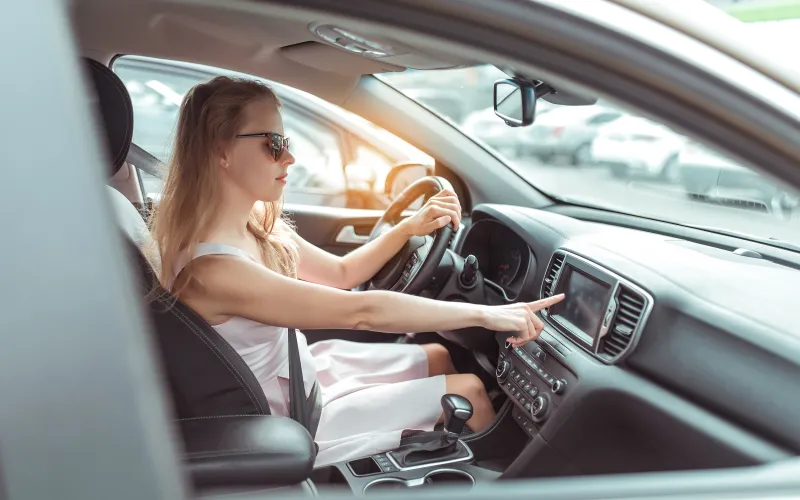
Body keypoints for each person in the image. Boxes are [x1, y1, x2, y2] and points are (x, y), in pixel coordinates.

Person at [150, 76, 565, 466]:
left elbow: (342, 273)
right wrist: (486, 314)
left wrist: (407, 228)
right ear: (220, 152)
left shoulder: (256, 222)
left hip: (302, 370)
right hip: (295, 416)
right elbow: (360, 311)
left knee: (440, 354)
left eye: (286, 141)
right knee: (470, 391)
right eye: (273, 143)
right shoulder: (214, 271)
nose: (289, 157)